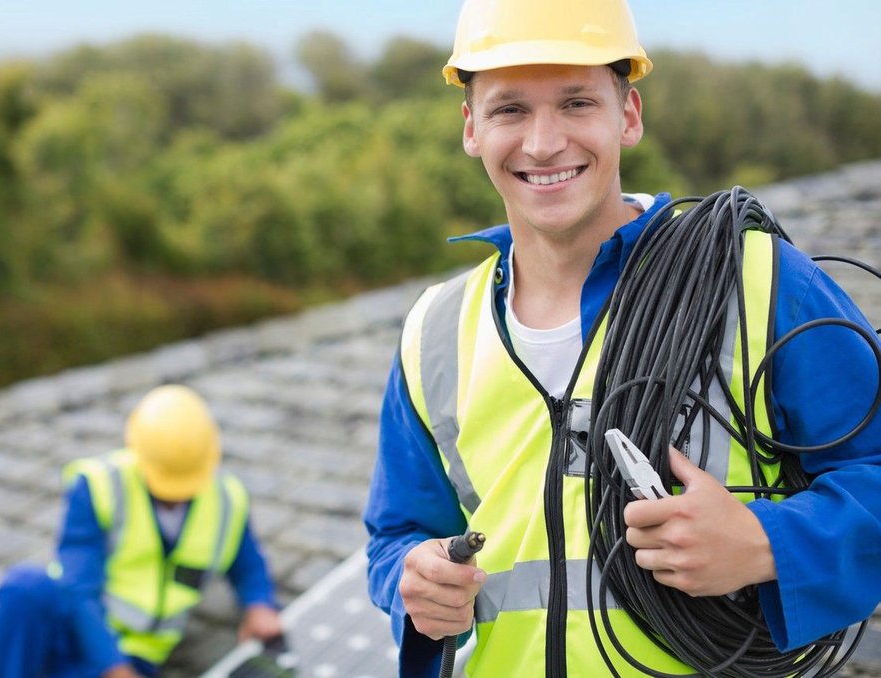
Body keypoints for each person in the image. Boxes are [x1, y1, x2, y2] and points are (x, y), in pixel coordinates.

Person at [363, 0, 881, 676]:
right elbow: (397, 534)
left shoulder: (754, 279)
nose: (544, 143)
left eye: (576, 103)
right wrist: (410, 579)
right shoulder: (435, 332)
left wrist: (764, 542)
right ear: (471, 128)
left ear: (628, 115)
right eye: (509, 109)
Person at [0, 384, 283, 678]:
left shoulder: (227, 502)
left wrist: (260, 605)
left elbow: (248, 563)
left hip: (138, 656)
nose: (176, 494)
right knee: (24, 587)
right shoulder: (99, 486)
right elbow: (79, 588)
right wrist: (114, 667)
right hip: (74, 634)